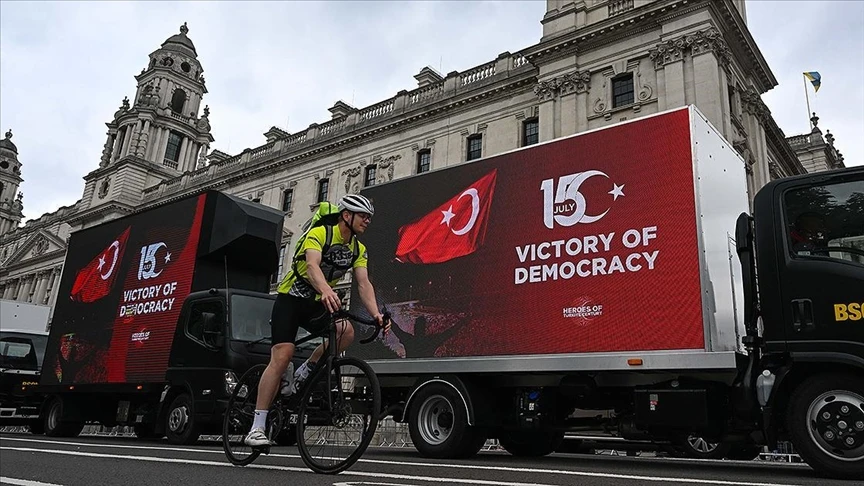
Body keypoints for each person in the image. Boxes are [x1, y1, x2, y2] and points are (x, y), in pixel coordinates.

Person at [244, 194, 389, 446]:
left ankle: (306, 369)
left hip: (317, 303)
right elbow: (312, 266)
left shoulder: (358, 249)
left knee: (346, 331)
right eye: (363, 216)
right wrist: (325, 289)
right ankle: (256, 426)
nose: (368, 221)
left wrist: (376, 313)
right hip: (291, 299)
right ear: (347, 216)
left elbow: (364, 283)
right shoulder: (320, 233)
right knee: (282, 356)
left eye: (369, 217)